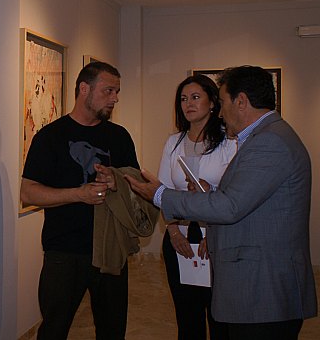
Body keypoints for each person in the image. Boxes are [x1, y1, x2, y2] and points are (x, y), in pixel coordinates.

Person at [125, 66, 317, 340]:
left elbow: (230, 207)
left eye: (223, 102)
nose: (221, 112)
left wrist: (159, 195)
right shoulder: (266, 136)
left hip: (264, 289)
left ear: (241, 101)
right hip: (257, 284)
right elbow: (245, 197)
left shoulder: (269, 142)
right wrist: (210, 191)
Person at [20, 61, 139, 340]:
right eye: (108, 91)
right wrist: (79, 194)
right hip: (64, 251)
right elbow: (28, 193)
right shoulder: (50, 137)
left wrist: (116, 181)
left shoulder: (120, 137)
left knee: (112, 331)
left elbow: (137, 186)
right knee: (54, 330)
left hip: (110, 250)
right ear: (84, 89)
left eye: (117, 92)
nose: (115, 98)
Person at [158, 75, 235, 340]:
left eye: (195, 97)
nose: (188, 104)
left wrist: (209, 191)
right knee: (187, 318)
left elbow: (235, 194)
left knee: (219, 318)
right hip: (180, 238)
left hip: (215, 237)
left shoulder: (229, 142)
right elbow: (164, 192)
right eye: (183, 99)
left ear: (213, 102)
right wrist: (173, 232)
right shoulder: (174, 142)